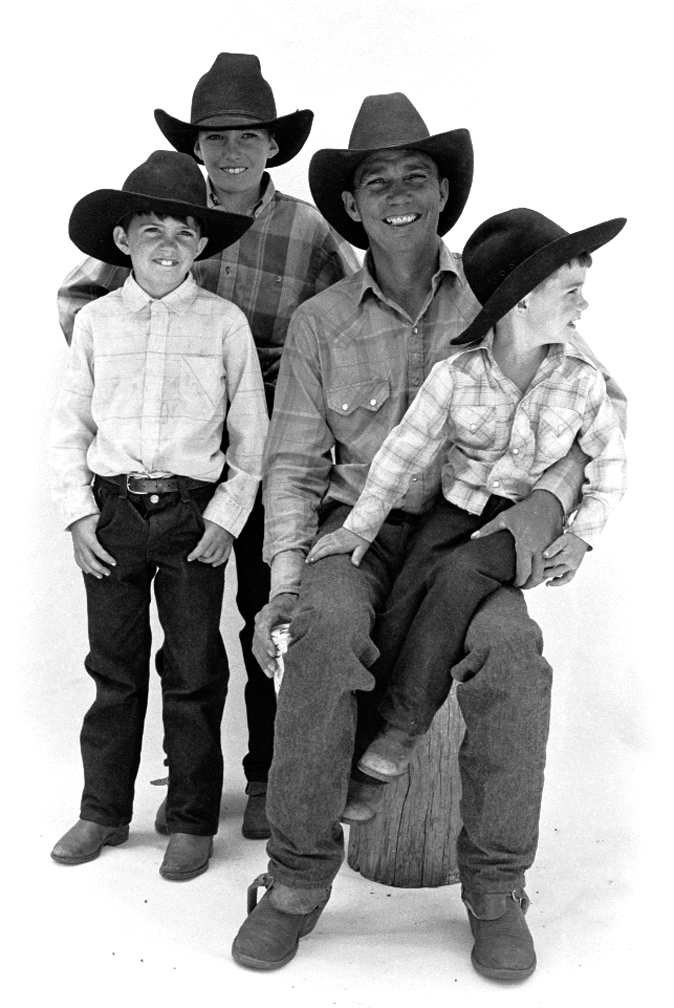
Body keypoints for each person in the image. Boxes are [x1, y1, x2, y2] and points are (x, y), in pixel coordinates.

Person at [230, 93, 626, 980]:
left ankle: (495, 889)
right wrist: (286, 583)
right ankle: (294, 882)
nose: (397, 194)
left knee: (513, 653)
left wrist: (554, 506)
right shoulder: (320, 322)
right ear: (354, 204)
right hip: (357, 534)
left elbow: (604, 406)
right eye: (377, 182)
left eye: (416, 177)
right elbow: (293, 468)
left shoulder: (505, 289)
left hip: (472, 537)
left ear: (444, 192)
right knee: (325, 632)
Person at [57, 53, 359, 841]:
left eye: (249, 138)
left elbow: (349, 318)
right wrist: (153, 375)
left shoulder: (308, 228)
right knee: (129, 656)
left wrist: (271, 383)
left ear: (272, 146)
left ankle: (262, 779)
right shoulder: (163, 210)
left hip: (265, 444)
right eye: (217, 139)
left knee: (262, 609)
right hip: (162, 458)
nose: (232, 153)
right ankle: (123, 803)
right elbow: (81, 300)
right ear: (198, 147)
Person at [307, 207, 627, 782]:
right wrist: (359, 524)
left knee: (459, 579)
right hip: (457, 509)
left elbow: (611, 466)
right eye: (572, 292)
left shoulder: (581, 378)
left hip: (522, 521)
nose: (584, 306)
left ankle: (406, 725)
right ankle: (359, 747)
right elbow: (402, 452)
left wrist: (580, 537)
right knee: (406, 589)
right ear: (522, 301)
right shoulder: (458, 373)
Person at [49, 152, 268, 881]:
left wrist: (226, 517)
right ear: (122, 242)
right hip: (113, 513)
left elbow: (250, 435)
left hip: (191, 517)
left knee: (194, 669)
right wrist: (80, 516)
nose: (167, 245)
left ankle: (192, 818)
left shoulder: (225, 324)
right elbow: (69, 424)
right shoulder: (96, 323)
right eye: (150, 230)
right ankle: (103, 811)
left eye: (182, 231)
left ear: (202, 243)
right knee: (112, 669)